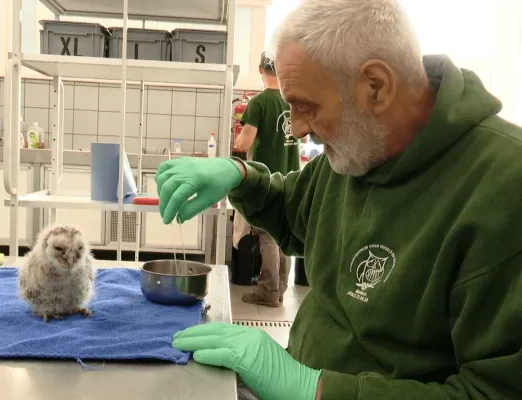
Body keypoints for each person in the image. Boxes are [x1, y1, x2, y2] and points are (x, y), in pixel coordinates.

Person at [155, 0, 522, 399]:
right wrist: (240, 177)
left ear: (376, 86)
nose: (295, 130)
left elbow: (492, 392)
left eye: (305, 106)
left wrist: (316, 390)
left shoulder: (503, 191)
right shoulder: (359, 148)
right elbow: (294, 210)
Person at [232, 51, 301, 308]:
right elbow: (299, 139)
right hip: (291, 177)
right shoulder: (292, 102)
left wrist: (237, 138)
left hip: (266, 179)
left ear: (261, 69)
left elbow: (245, 142)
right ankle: (282, 288)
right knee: (285, 232)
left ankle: (269, 290)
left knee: (267, 234)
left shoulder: (258, 104)